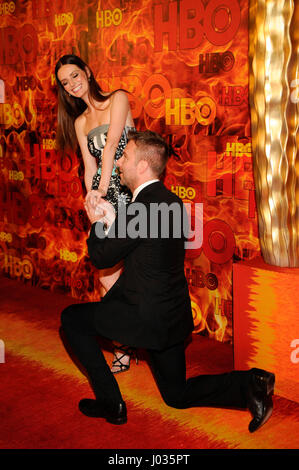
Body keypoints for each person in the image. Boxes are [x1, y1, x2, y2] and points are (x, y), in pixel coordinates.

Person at [61, 130, 275, 432]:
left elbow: (101, 258)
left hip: (142, 316)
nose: (119, 162)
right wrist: (115, 221)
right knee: (176, 395)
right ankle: (251, 384)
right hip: (171, 316)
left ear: (143, 166)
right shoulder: (172, 203)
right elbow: (148, 253)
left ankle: (111, 403)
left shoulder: (140, 209)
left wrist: (97, 223)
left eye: (125, 156)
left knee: (71, 319)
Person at [55, 54, 135, 373]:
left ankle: (150, 337)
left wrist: (101, 192)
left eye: (75, 75)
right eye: (65, 82)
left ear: (88, 72)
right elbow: (88, 167)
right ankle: (123, 347)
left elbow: (112, 144)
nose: (73, 84)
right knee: (107, 278)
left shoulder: (117, 98)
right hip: (104, 201)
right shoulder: (79, 122)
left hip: (132, 197)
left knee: (143, 275)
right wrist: (93, 206)